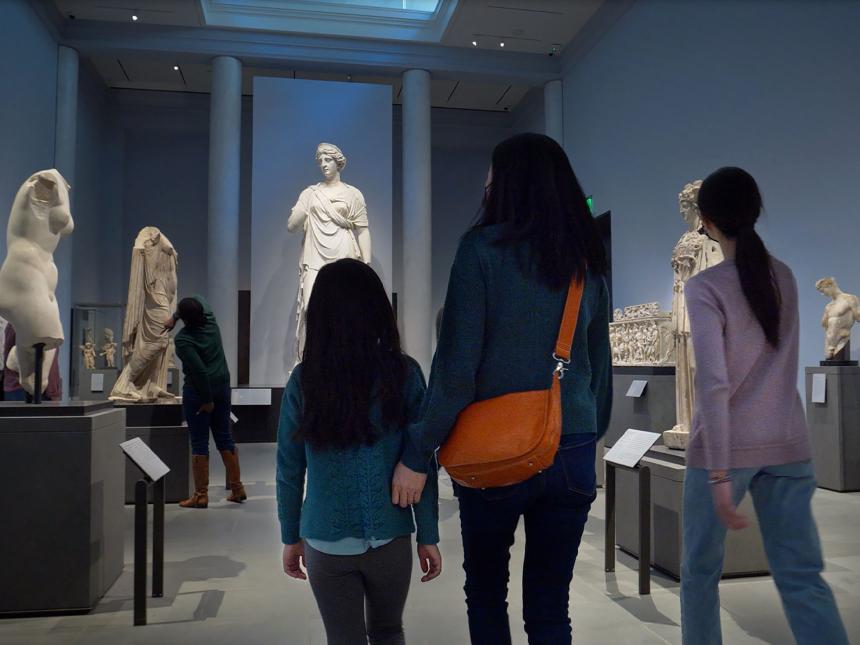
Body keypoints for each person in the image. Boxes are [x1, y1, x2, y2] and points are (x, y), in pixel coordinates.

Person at [392, 133, 612, 644]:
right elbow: (600, 367)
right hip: (572, 446)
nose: (486, 183)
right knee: (551, 603)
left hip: (495, 446)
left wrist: (418, 450)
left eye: (492, 173)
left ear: (509, 181)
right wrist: (583, 432)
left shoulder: (481, 250)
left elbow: (456, 367)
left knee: (488, 593)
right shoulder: (585, 261)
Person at [679, 167, 848, 645]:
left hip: (725, 451)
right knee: (803, 578)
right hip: (790, 447)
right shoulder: (787, 278)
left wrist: (717, 474)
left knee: (699, 575)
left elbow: (714, 383)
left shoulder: (705, 287)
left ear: (706, 221)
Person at [277, 259, 441, 645]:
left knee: (343, 637)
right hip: (391, 535)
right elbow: (423, 460)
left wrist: (290, 535)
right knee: (388, 632)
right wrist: (428, 534)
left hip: (324, 538)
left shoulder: (305, 380)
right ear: (378, 310)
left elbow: (288, 467)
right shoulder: (404, 373)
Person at [164, 295, 246, 508]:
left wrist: (207, 400)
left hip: (200, 394)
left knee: (200, 442)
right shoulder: (211, 322)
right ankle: (237, 488)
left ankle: (201, 495)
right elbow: (200, 299)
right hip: (223, 386)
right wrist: (176, 315)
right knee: (224, 437)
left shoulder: (183, 340)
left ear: (185, 319)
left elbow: (199, 371)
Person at [3, 323, 62, 402]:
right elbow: (10, 354)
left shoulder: (50, 324)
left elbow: (53, 363)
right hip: (20, 389)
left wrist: (55, 392)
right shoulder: (16, 322)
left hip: (48, 391)